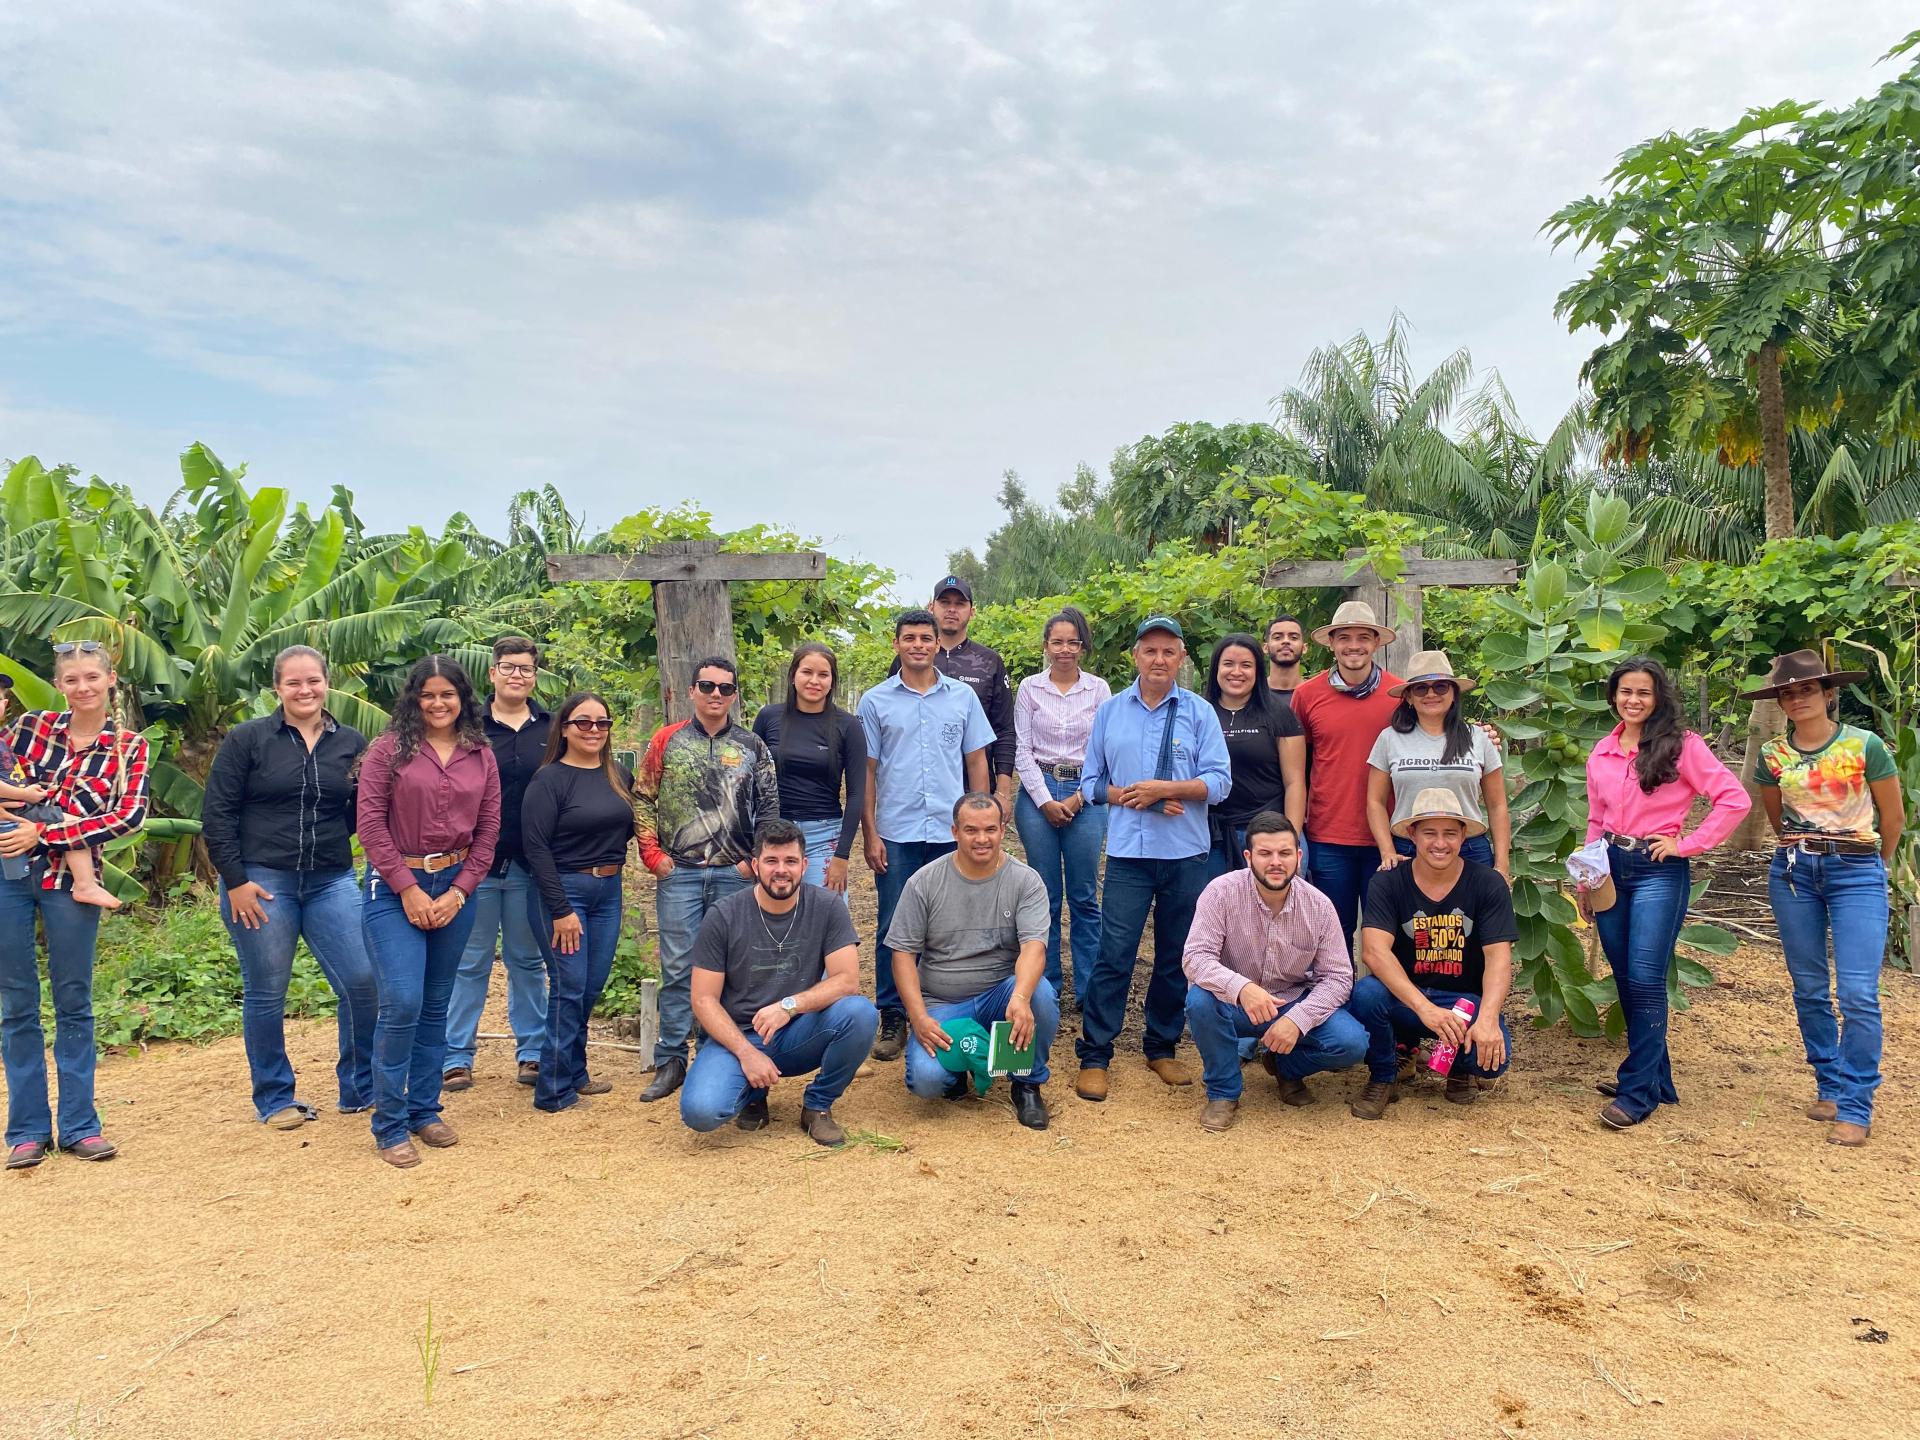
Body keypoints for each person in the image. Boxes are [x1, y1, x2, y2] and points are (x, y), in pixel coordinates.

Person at [203, 645, 376, 1131]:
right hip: (261, 881)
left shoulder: (351, 741)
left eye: (313, 681)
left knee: (363, 982)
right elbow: (217, 815)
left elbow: (359, 811)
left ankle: (361, 1087)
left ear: (327, 683)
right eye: (294, 683)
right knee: (267, 990)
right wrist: (235, 881)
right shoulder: (248, 739)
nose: (305, 690)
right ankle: (275, 1096)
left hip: (331, 879)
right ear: (277, 688)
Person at [1744, 649, 1904, 1148]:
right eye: (1787, 692)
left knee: (1858, 992)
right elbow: (1777, 817)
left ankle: (1857, 1103)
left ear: (1828, 692)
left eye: (1807, 689)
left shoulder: (1865, 745)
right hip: (1795, 872)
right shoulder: (1774, 755)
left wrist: (1873, 862)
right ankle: (1829, 1084)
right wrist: (1804, 848)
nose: (1797, 698)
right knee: (1809, 986)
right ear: (1780, 701)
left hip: (1856, 869)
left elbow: (1892, 817)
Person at [1582, 657, 1749, 1132]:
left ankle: (1637, 1093)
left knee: (1645, 977)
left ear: (1659, 698)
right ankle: (1656, 1078)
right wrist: (1586, 879)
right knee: (1625, 975)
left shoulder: (1683, 746)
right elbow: (1596, 819)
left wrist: (1687, 844)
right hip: (1611, 867)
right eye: (1625, 692)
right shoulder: (1604, 750)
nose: (1633, 701)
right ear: (1614, 695)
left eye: (1644, 693)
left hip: (1659, 870)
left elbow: (1734, 798)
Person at [0, 641, 150, 1168]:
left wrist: (42, 830)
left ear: (111, 679)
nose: (82, 687)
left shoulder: (129, 745)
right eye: (71, 679)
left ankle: (81, 1125)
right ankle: (25, 1130)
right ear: (59, 685)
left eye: (92, 677)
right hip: (5, 876)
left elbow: (127, 817)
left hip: (68, 879)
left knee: (74, 1001)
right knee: (16, 1003)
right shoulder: (28, 728)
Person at [1073, 616, 1231, 1102]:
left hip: (1186, 854)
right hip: (1129, 856)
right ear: (1136, 657)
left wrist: (1170, 788)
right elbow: (1088, 784)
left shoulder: (1200, 713)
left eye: (1168, 652)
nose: (1158, 660)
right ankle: (1096, 1053)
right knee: (1114, 955)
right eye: (1149, 651)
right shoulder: (1110, 712)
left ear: (1181, 658)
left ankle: (1161, 1046)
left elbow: (1220, 783)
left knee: (1174, 957)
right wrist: (1127, 796)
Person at [355, 655, 501, 1168]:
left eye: (448, 694)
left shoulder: (479, 754)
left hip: (457, 888)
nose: (438, 704)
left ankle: (424, 1109)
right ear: (414, 699)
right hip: (395, 887)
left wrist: (459, 890)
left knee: (437, 1003)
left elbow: (488, 831)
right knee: (401, 1002)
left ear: (463, 699)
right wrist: (408, 889)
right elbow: (370, 826)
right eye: (428, 694)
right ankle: (390, 1123)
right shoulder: (388, 751)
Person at [634, 655, 780, 1104]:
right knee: (678, 969)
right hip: (679, 874)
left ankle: (719, 1052)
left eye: (725, 688)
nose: (716, 695)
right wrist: (652, 854)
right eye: (707, 686)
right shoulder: (667, 741)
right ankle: (671, 1058)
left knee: (735, 971)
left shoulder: (752, 745)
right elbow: (642, 797)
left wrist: (753, 863)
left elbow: (770, 807)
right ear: (692, 690)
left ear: (735, 695)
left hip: (735, 876)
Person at [680, 819, 878, 1145]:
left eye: (790, 861)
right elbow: (703, 999)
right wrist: (746, 1053)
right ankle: (753, 1093)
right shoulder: (724, 915)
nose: (781, 870)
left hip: (799, 1031)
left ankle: (818, 1106)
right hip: (739, 1035)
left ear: (805, 865)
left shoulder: (826, 906)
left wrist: (790, 1006)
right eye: (772, 861)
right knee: (701, 1112)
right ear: (755, 865)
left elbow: (847, 981)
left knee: (860, 1013)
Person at [860, 610, 995, 1061]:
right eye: (909, 638)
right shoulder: (875, 701)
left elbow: (977, 762)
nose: (918, 644)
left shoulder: (962, 698)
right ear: (895, 644)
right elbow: (868, 773)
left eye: (925, 637)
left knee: (954, 922)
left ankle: (947, 1005)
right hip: (896, 832)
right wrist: (870, 832)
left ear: (939, 643)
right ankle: (894, 1015)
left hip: (950, 832)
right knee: (894, 926)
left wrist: (979, 825)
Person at [1182, 811, 1367, 1132]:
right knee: (1199, 1001)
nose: (1275, 862)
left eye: (1284, 853)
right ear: (1248, 856)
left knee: (1351, 1044)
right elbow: (1195, 958)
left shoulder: (1319, 906)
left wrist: (1298, 1020)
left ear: (1298, 856)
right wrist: (1240, 988)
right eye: (1265, 854)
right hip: (1234, 1004)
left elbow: (1338, 978)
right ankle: (1224, 1092)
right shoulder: (1220, 892)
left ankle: (1285, 1066)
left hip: (1290, 1002)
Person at [889, 793, 1056, 1130]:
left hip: (1001, 996)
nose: (982, 839)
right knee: (926, 1082)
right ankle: (958, 1069)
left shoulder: (1025, 881)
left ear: (1003, 829)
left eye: (990, 829)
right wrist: (918, 1017)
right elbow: (903, 954)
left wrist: (1020, 998)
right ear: (954, 832)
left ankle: (1026, 1083)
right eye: (971, 830)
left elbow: (1034, 948)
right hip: (942, 1002)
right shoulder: (923, 883)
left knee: (1041, 995)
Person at [1346, 789, 1516, 1120]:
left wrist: (1488, 1019)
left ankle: (1459, 1069)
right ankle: (1384, 1074)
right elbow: (1374, 952)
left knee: (1495, 1061)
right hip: (1407, 1001)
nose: (1440, 843)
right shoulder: (1388, 883)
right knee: (1366, 994)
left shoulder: (1487, 884)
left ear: (1463, 835)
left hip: (1464, 1002)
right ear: (1412, 835)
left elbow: (1499, 958)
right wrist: (1425, 1009)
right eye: (1430, 833)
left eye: (1450, 833)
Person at [443, 637, 552, 1094]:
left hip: (531, 862)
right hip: (474, 863)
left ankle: (532, 1053)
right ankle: (455, 1057)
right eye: (508, 668)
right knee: (469, 962)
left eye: (526, 669)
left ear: (534, 676)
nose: (517, 676)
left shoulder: (552, 726)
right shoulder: (467, 727)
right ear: (492, 673)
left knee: (527, 960)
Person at [522, 692, 636, 1115]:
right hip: (563, 892)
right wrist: (560, 909)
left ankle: (576, 1070)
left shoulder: (618, 774)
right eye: (583, 722)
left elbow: (625, 828)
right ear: (564, 728)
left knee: (589, 987)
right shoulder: (549, 780)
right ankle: (552, 1088)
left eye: (601, 723)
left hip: (608, 890)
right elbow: (535, 849)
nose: (593, 730)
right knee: (568, 987)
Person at [1010, 606, 1110, 1007]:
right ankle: (1046, 984)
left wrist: (1078, 795)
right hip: (1039, 792)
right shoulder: (1029, 688)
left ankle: (1089, 987)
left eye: (1073, 641)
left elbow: (1103, 750)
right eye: (1057, 641)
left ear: (1082, 646)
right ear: (1046, 646)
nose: (1065, 649)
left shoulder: (1099, 690)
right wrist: (1046, 800)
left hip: (1086, 794)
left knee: (1085, 895)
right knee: (1044, 894)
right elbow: (1021, 749)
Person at [1290, 601, 1404, 952]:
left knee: (1387, 934)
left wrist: (1483, 733)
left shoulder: (1400, 695)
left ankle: (1379, 1005)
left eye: (1362, 637)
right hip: (1329, 835)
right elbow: (1297, 764)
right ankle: (1333, 1005)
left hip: (1387, 837)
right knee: (1330, 935)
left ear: (1375, 643)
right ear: (1332, 643)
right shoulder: (1306, 695)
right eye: (1345, 638)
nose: (1353, 645)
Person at [1367, 651, 1510, 881]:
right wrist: (1387, 851)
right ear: (1409, 698)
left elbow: (1497, 805)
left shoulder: (1479, 739)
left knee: (1475, 916)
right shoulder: (1389, 739)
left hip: (1469, 848)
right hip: (1408, 848)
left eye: (1441, 687)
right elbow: (1375, 801)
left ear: (1454, 694)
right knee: (1413, 918)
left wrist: (1502, 865)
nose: (1431, 694)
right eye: (1421, 688)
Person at [889, 576, 1017, 814]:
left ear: (972, 611)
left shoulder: (989, 662)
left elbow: (1005, 729)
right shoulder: (908, 658)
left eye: (959, 604)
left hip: (972, 788)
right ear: (931, 607)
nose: (951, 609)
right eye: (944, 602)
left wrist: (1002, 791)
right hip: (915, 791)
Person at [751, 642, 867, 895]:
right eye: (807, 672)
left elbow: (858, 794)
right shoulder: (768, 718)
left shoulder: (848, 726)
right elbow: (750, 783)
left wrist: (842, 855)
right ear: (793, 675)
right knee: (773, 917)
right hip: (774, 832)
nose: (814, 681)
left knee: (827, 918)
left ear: (832, 681)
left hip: (824, 837)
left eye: (823, 675)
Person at [0, 674, 117, 910]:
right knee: (72, 824)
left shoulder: (5, 737)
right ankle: (85, 884)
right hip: (20, 808)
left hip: (19, 811)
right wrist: (25, 795)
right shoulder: (27, 726)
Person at [1203, 634, 1305, 879]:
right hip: (1209, 836)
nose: (1236, 672)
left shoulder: (1279, 714)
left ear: (1257, 671)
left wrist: (1289, 838)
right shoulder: (1200, 712)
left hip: (1266, 836)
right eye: (1228, 664)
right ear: (1216, 668)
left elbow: (1295, 783)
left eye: (1246, 665)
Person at [1263, 614, 1309, 712]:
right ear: (1266, 648)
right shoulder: (1253, 694)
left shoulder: (1316, 694)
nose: (1286, 641)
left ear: (1304, 648)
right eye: (1278, 637)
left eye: (1293, 637)